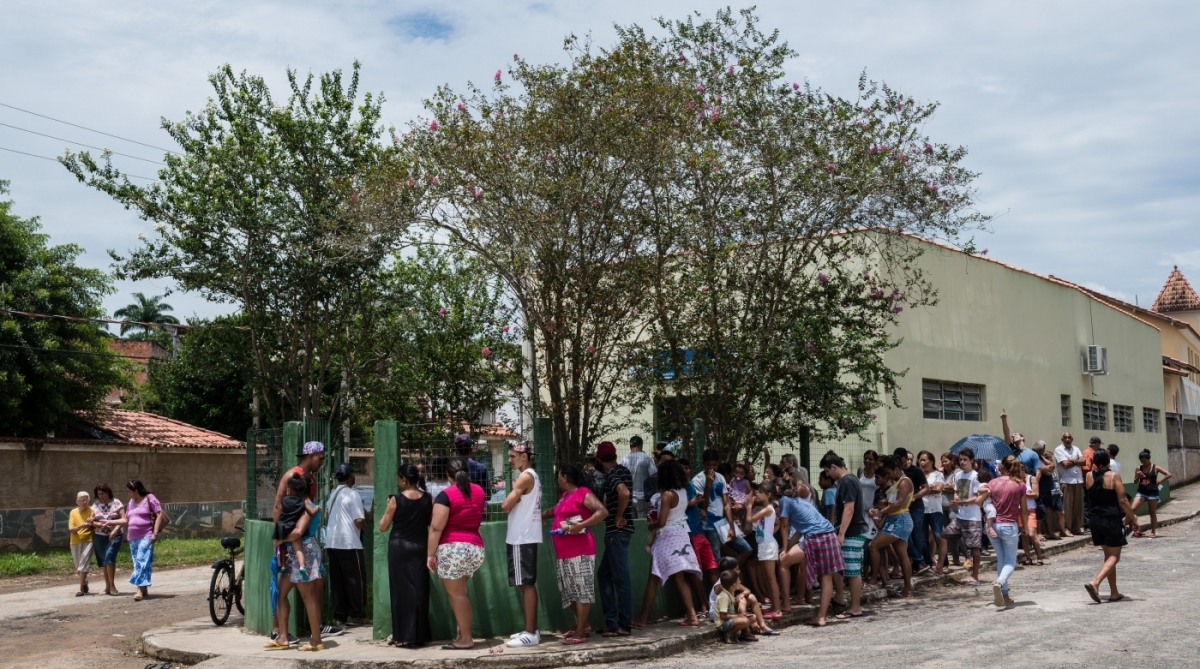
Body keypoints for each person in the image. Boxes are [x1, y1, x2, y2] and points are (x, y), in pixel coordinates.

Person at [264, 441, 340, 652]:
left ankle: (315, 638)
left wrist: (282, 538)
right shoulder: (293, 476)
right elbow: (278, 506)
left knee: (308, 595)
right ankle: (282, 636)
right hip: (293, 546)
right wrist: (280, 539)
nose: (322, 462)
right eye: (321, 457)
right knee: (281, 592)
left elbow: (300, 527)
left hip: (301, 544)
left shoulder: (308, 494)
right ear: (310, 455)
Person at [544, 464, 608, 645]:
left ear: (565, 476)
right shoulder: (565, 496)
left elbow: (602, 511)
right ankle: (584, 625)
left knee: (582, 590)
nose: (557, 479)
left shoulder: (583, 493)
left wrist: (582, 525)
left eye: (559, 475)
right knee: (568, 590)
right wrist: (533, 516)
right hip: (563, 552)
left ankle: (580, 632)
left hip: (581, 550)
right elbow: (553, 512)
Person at [428, 457, 486, 650]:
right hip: (475, 548)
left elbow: (436, 528)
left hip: (453, 549)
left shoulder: (446, 495)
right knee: (460, 593)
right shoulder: (478, 491)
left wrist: (430, 554)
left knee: (457, 595)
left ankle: (466, 638)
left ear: (447, 474)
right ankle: (461, 632)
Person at [378, 464, 432, 648]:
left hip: (399, 548)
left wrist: (388, 508)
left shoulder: (396, 500)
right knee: (420, 590)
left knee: (400, 592)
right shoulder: (428, 499)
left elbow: (382, 527)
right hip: (421, 547)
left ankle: (402, 635)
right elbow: (431, 522)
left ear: (403, 479)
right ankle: (418, 635)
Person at [644, 460, 702, 626]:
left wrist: (650, 526)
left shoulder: (667, 495)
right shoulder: (683, 492)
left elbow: (661, 522)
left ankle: (642, 618)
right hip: (681, 535)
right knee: (680, 578)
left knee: (653, 579)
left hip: (666, 537)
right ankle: (692, 616)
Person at [500, 441, 543, 647]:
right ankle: (530, 629)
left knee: (525, 583)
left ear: (524, 456)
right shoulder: (532, 476)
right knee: (524, 582)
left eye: (512, 456)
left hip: (521, 537)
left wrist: (512, 500)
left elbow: (505, 505)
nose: (509, 460)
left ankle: (531, 632)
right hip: (525, 536)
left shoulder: (525, 477)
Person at [1084, 449, 1137, 603]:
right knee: (1115, 556)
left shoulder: (1088, 476)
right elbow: (1123, 501)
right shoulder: (1114, 476)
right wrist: (1133, 517)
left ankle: (1114, 592)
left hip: (1094, 519)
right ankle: (1095, 583)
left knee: (1108, 556)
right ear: (1109, 461)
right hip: (1111, 519)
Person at [820, 451, 867, 620]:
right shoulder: (850, 480)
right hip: (852, 531)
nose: (827, 475)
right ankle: (847, 601)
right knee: (847, 569)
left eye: (827, 471)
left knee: (853, 571)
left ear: (833, 467)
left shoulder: (846, 482)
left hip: (851, 532)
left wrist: (841, 534)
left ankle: (855, 607)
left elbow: (849, 508)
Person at [596, 441, 635, 637]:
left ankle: (624, 625)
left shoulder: (611, 474)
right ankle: (612, 623)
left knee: (621, 579)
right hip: (621, 533)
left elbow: (624, 493)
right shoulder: (624, 471)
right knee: (604, 575)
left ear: (599, 458)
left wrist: (618, 516)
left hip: (616, 533)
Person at [981, 455, 1027, 607]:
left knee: (1001, 560)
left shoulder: (992, 483)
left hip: (993, 525)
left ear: (1003, 467)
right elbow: (1024, 510)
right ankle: (1000, 583)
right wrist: (1025, 526)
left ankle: (1005, 596)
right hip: (1009, 525)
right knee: (1010, 562)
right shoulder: (1020, 485)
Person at [109, 480, 166, 602]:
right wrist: (116, 529)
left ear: (136, 491)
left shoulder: (150, 498)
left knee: (142, 559)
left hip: (146, 535)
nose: (128, 493)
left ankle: (139, 590)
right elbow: (127, 519)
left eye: (129, 491)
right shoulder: (131, 502)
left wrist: (155, 533)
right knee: (137, 562)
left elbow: (159, 515)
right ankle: (144, 587)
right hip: (132, 537)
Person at [326, 463, 369, 627]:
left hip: (332, 542)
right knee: (355, 580)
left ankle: (340, 615)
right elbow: (358, 521)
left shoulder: (333, 494)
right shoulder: (352, 494)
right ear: (351, 475)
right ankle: (357, 614)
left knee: (339, 581)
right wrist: (365, 528)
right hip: (349, 543)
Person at [867, 456, 914, 599]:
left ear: (897, 470)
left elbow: (898, 502)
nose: (888, 475)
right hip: (896, 519)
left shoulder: (905, 482)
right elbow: (890, 503)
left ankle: (874, 580)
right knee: (902, 555)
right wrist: (876, 509)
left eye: (889, 472)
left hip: (900, 519)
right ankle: (907, 589)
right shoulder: (897, 482)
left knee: (873, 546)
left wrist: (880, 512)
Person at [939, 449, 985, 584]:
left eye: (965, 459)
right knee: (943, 536)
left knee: (974, 547)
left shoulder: (975, 476)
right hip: (960, 516)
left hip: (973, 518)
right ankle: (939, 566)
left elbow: (977, 498)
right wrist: (956, 499)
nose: (962, 462)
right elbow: (956, 492)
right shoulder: (958, 475)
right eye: (960, 459)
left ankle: (975, 575)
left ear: (972, 461)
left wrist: (961, 501)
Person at [274, 474, 320, 580]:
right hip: (301, 545)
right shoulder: (303, 503)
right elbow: (298, 533)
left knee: (307, 595)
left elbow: (298, 532)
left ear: (289, 490)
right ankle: (302, 566)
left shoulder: (284, 500)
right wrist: (318, 507)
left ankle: (283, 565)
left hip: (283, 528)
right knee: (298, 548)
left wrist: (281, 540)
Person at [747, 483, 782, 623]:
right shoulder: (768, 509)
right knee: (768, 578)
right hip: (765, 544)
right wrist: (769, 534)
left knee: (771, 578)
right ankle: (774, 606)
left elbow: (749, 520)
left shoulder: (767, 509)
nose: (756, 495)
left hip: (767, 546)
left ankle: (777, 610)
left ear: (768, 495)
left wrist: (749, 505)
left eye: (759, 492)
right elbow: (778, 523)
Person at [893, 447, 929, 575]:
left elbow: (926, 488)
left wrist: (913, 497)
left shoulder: (916, 471)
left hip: (916, 507)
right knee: (905, 536)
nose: (900, 461)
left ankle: (917, 564)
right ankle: (919, 562)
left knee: (916, 536)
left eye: (901, 459)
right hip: (901, 508)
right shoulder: (895, 471)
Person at [90, 483, 125, 596]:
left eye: (103, 493)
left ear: (108, 492)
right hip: (100, 536)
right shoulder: (95, 505)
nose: (101, 496)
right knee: (105, 561)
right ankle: (107, 587)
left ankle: (112, 586)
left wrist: (115, 530)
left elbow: (123, 519)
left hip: (115, 535)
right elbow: (92, 521)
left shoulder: (117, 503)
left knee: (110, 557)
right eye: (99, 494)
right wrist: (98, 525)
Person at [1130, 449, 1172, 538]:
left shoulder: (1155, 468)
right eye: (1141, 461)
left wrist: (1159, 482)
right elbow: (1135, 481)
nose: (1143, 463)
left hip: (1152, 492)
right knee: (1132, 509)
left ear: (1149, 459)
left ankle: (1153, 532)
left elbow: (1168, 474)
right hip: (1141, 491)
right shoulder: (1139, 468)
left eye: (1145, 461)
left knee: (1152, 512)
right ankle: (1134, 529)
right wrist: (1138, 476)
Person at [917, 451, 945, 579]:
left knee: (938, 535)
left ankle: (943, 563)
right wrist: (928, 489)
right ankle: (927, 563)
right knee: (922, 538)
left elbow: (938, 489)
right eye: (920, 460)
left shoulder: (938, 475)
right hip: (922, 510)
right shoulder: (918, 475)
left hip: (935, 510)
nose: (922, 463)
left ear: (932, 461)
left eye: (924, 460)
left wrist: (923, 490)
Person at [1032, 441, 1064, 541]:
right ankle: (1039, 533)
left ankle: (1049, 532)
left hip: (1048, 489)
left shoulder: (1041, 457)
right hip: (1041, 489)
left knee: (1048, 511)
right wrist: (1048, 468)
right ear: (1041, 449)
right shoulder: (1035, 456)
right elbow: (1047, 472)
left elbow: (1051, 465)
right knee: (1039, 511)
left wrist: (1048, 467)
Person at [1055, 433, 1085, 536]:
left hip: (1077, 480)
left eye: (1069, 437)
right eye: (1065, 438)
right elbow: (1065, 464)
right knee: (1067, 507)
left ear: (1072, 438)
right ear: (1062, 439)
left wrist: (1073, 460)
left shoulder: (1076, 449)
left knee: (1077, 507)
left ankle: (1076, 528)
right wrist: (1077, 461)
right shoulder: (1059, 450)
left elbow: (1084, 461)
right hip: (1066, 481)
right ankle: (1066, 529)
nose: (1067, 439)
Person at [619, 436, 656, 518]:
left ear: (630, 446)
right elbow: (653, 475)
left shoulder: (623, 460)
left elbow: (619, 477)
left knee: (632, 523)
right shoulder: (647, 458)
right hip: (642, 496)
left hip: (628, 497)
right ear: (641, 445)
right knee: (642, 523)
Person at [713, 570, 752, 644]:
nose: (740, 581)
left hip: (729, 620)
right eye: (738, 580)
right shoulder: (723, 597)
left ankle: (734, 633)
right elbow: (722, 616)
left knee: (753, 617)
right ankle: (729, 633)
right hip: (722, 624)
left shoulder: (730, 592)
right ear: (734, 584)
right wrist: (738, 616)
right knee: (745, 621)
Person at [68, 491, 94, 597]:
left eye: (86, 499)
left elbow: (94, 519)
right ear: (77, 501)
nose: (85, 502)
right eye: (82, 500)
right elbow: (71, 529)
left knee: (83, 564)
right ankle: (85, 582)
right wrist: (81, 526)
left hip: (88, 540)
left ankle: (80, 590)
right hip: (75, 541)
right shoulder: (73, 512)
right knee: (78, 567)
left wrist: (92, 520)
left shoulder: (92, 510)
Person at [1001, 409, 1041, 477]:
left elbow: (1038, 472)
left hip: (1027, 482)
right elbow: (1006, 434)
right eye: (1012, 436)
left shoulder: (1032, 454)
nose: (1013, 436)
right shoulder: (1012, 450)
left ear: (1022, 438)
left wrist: (1033, 484)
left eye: (1016, 434)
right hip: (1014, 481)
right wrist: (1004, 420)